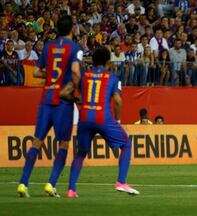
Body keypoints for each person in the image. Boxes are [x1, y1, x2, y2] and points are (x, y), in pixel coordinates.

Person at [17, 15, 83, 198]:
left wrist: (53, 76)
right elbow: (76, 72)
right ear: (72, 28)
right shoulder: (75, 48)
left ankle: (23, 183)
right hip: (63, 102)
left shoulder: (48, 46)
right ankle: (51, 183)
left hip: (46, 98)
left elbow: (37, 71)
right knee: (63, 144)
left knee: (36, 142)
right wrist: (77, 90)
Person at [66, 47, 139, 197]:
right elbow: (118, 100)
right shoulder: (112, 78)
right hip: (103, 117)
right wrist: (117, 120)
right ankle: (121, 182)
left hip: (85, 117)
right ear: (108, 62)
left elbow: (73, 91)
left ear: (92, 61)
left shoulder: (84, 75)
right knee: (126, 144)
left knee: (80, 153)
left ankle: (71, 189)